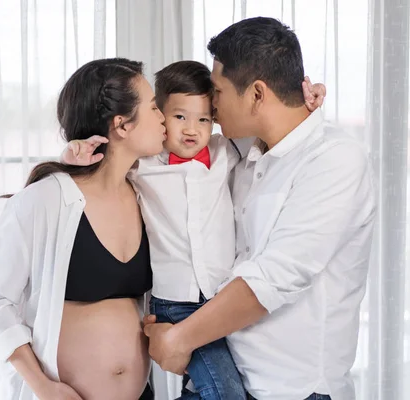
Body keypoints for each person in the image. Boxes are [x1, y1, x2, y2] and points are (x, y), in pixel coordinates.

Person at [142, 17, 376, 400]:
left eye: (216, 91)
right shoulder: (243, 152)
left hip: (291, 391)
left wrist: (178, 339)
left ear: (256, 94)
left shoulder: (335, 159)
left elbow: (274, 277)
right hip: (226, 372)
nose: (211, 106)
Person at [62, 59, 325, 399]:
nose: (191, 129)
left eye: (203, 119)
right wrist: (73, 152)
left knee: (213, 387)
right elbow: (105, 165)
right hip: (176, 303)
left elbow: (276, 132)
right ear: (161, 118)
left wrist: (308, 106)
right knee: (223, 390)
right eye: (179, 117)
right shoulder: (144, 165)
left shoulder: (225, 152)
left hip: (221, 301)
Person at [0, 57, 166, 400]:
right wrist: (42, 386)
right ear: (122, 125)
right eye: (154, 108)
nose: (164, 118)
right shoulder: (45, 201)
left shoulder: (148, 194)